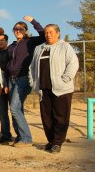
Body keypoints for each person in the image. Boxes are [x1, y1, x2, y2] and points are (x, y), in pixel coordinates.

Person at [29, 24, 79, 153]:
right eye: (46, 32)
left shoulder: (65, 46)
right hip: (43, 89)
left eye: (51, 32)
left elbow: (73, 63)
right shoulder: (39, 48)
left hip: (61, 89)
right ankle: (51, 141)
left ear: (58, 33)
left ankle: (57, 142)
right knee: (46, 117)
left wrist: (64, 80)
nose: (48, 35)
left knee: (60, 116)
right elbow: (32, 67)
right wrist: (33, 83)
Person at [6, 15, 45, 147]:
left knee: (14, 108)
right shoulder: (11, 46)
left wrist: (33, 21)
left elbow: (44, 35)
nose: (18, 30)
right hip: (11, 80)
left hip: (23, 79)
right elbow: (8, 65)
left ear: (25, 30)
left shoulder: (30, 42)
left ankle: (27, 138)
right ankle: (20, 136)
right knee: (17, 109)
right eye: (16, 29)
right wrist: (6, 82)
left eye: (21, 28)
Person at [0, 34, 13, 144]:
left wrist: (8, 84)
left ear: (6, 40)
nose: (0, 42)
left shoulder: (12, 53)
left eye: (2, 40)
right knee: (2, 112)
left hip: (12, 85)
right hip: (0, 88)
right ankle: (6, 135)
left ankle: (21, 136)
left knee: (15, 111)